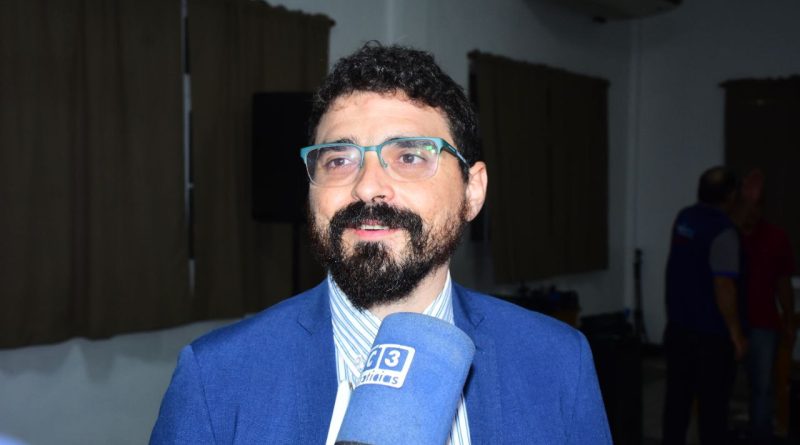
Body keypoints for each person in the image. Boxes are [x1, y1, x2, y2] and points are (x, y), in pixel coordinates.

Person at [151, 43, 611, 444]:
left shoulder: (557, 361)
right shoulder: (215, 377)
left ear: (473, 191)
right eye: (338, 160)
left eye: (409, 156)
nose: (368, 187)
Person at [662, 166, 746, 445]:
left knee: (676, 403)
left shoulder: (684, 218)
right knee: (713, 410)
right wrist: (736, 334)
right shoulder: (723, 232)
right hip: (711, 338)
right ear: (730, 195)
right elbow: (724, 286)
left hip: (678, 329)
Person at [736, 169, 796, 444]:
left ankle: (760, 436)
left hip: (763, 323)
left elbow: (783, 283)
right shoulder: (727, 234)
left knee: (762, 387)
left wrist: (789, 319)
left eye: (756, 205)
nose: (751, 211)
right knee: (719, 384)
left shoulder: (775, 237)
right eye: (746, 204)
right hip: (727, 323)